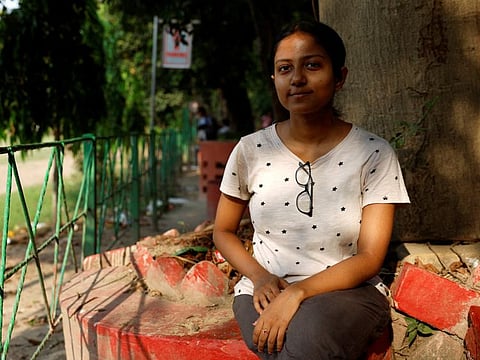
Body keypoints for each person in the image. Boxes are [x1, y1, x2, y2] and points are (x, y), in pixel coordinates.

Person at [213, 19, 410, 359]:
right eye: (285, 68)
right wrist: (261, 278)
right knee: (283, 340)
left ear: (340, 77)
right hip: (263, 290)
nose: (297, 79)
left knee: (308, 338)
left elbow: (369, 257)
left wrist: (298, 293)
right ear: (274, 78)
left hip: (349, 291)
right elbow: (223, 231)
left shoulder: (374, 153)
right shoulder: (250, 150)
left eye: (313, 65)